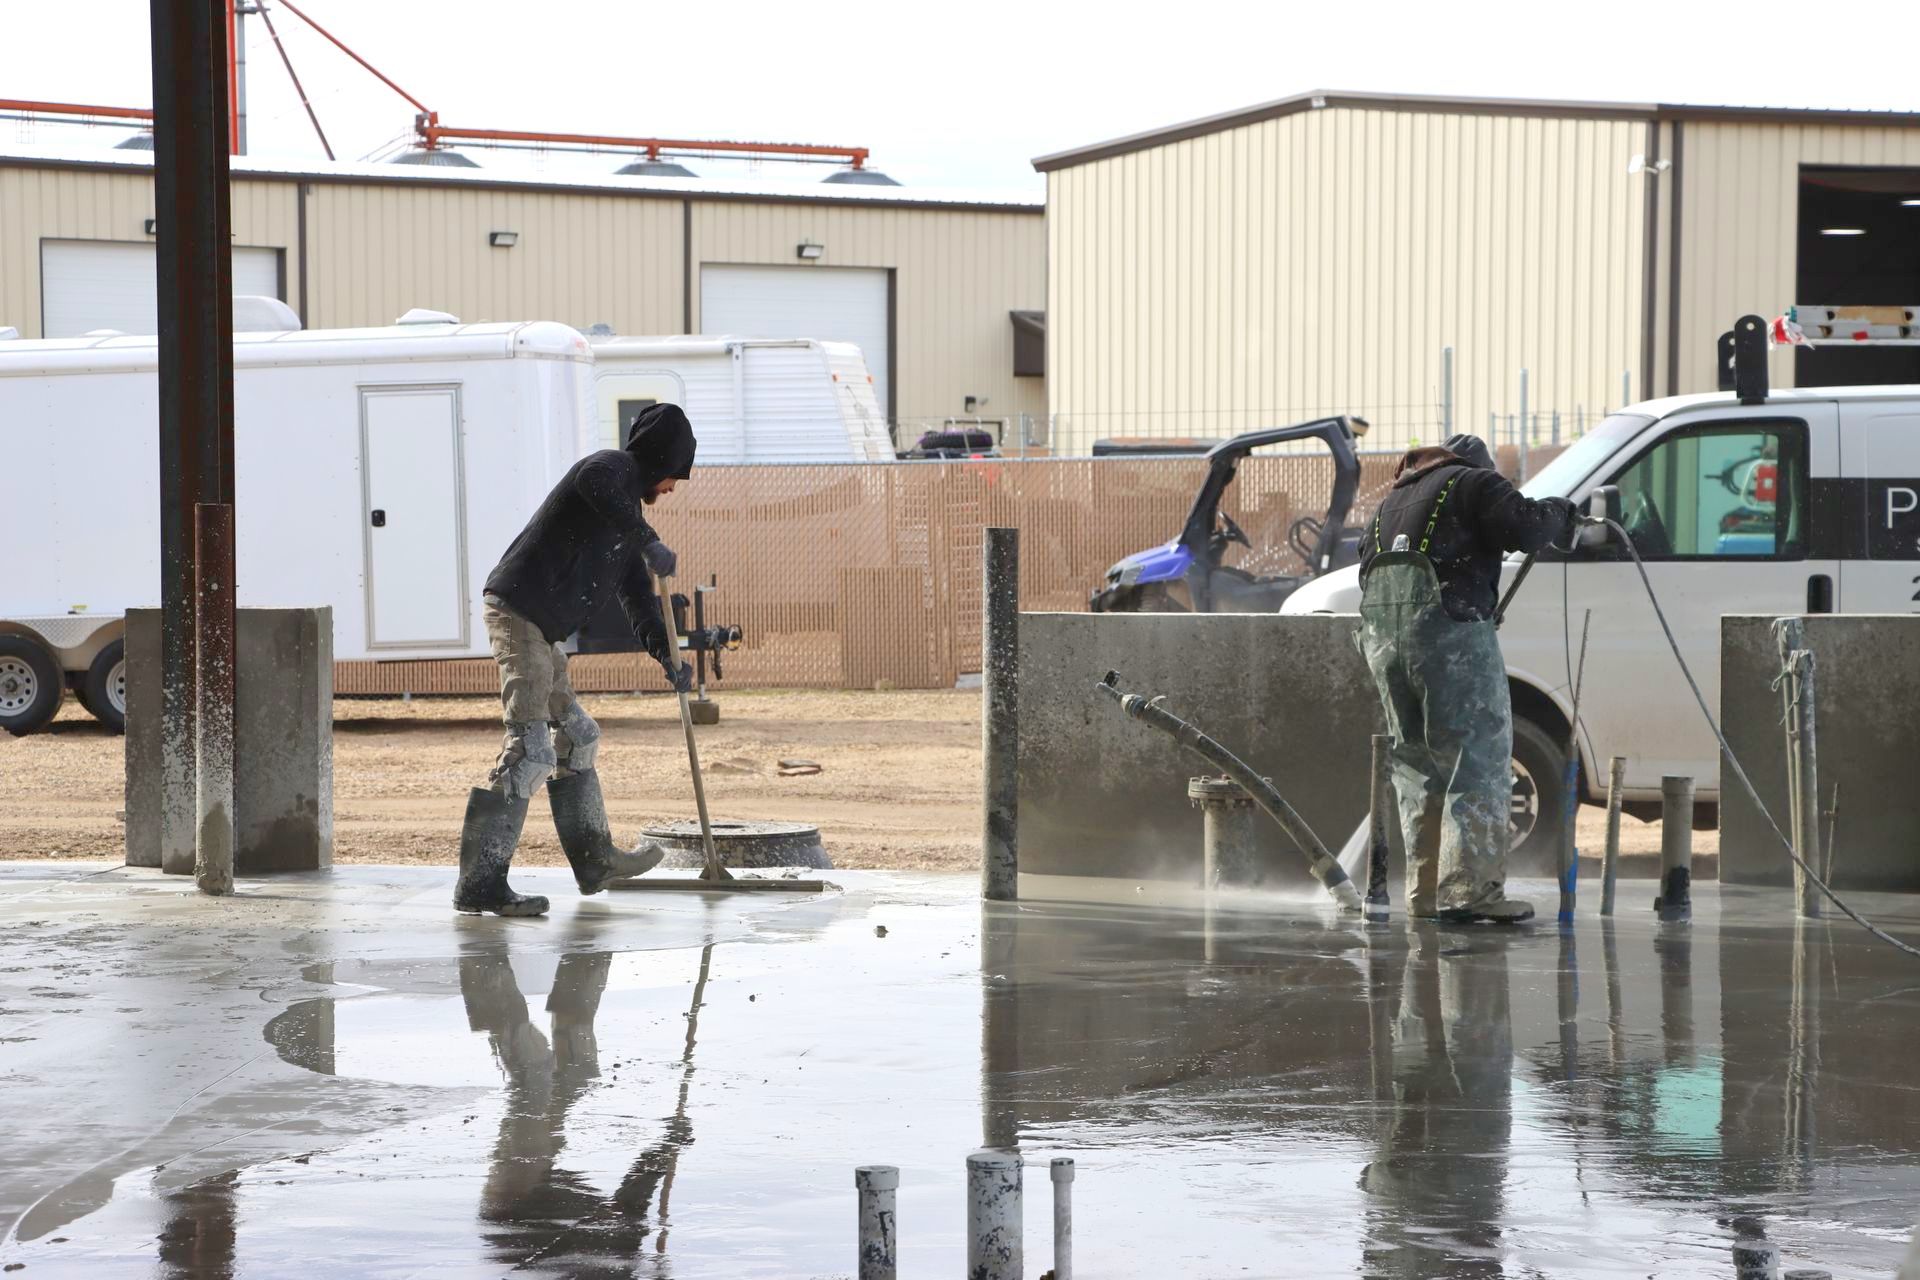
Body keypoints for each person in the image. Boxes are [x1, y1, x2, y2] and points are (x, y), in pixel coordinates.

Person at [454, 404, 698, 917]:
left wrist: (667, 657)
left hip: (542, 631)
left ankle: (595, 862)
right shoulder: (610, 470)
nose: (674, 487)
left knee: (580, 736)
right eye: (676, 474)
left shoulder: (626, 524)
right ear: (659, 461)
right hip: (518, 613)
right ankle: (480, 883)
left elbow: (640, 604)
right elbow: (595, 482)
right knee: (531, 751)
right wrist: (649, 540)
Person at [1357, 433, 1575, 924]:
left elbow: (1363, 569)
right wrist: (1561, 513)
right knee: (1476, 759)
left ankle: (1426, 893)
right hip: (1449, 640)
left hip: (1385, 649)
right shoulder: (1473, 483)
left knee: (1418, 768)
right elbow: (1526, 527)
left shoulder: (1390, 503)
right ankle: (1471, 894)